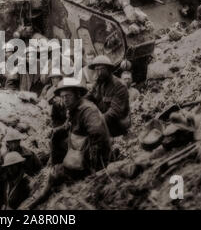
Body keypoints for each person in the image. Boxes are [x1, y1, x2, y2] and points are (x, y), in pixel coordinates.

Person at [28, 78, 111, 209]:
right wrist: (55, 131)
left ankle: (49, 190)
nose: (65, 100)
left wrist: (93, 169)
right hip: (80, 151)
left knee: (56, 175)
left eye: (68, 96)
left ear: (77, 94)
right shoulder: (74, 109)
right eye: (62, 97)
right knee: (57, 138)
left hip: (92, 159)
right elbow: (68, 126)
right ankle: (50, 182)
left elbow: (98, 135)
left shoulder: (87, 110)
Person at [86, 55, 130, 137]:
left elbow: (114, 112)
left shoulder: (119, 86)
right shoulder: (98, 83)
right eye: (96, 70)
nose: (99, 73)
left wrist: (96, 122)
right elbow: (88, 97)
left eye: (101, 69)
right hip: (104, 123)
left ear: (108, 69)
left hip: (118, 127)